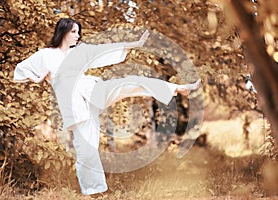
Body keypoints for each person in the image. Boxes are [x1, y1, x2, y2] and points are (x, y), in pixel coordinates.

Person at [14, 18, 201, 196]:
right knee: (86, 149)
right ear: (63, 32)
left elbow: (102, 51)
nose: (78, 35)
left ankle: (177, 88)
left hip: (92, 90)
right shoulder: (46, 55)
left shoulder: (78, 52)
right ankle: (94, 191)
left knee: (129, 83)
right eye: (74, 32)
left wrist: (133, 44)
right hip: (75, 105)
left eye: (79, 32)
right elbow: (21, 70)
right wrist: (38, 78)